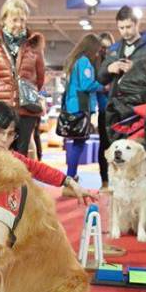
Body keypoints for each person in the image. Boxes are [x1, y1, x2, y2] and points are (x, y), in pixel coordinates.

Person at [0, 102, 95, 205]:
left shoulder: (11, 157)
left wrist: (70, 182)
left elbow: (37, 168)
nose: (4, 139)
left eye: (10, 134)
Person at [0, 0, 46, 157]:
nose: (19, 24)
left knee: (22, 155)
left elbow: (40, 78)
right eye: (14, 19)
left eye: (22, 20)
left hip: (26, 110)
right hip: (0, 108)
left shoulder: (35, 46)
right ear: (4, 20)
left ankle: (21, 183)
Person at [62, 34, 104, 198]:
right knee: (79, 143)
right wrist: (103, 86)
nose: (97, 54)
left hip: (72, 105)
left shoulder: (74, 62)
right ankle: (70, 179)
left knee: (75, 142)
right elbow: (87, 84)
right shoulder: (84, 62)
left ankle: (71, 178)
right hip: (80, 106)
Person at [97, 5, 146, 100]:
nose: (125, 31)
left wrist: (135, 69)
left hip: (142, 103)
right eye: (121, 28)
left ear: (137, 24)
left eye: (128, 27)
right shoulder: (113, 49)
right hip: (116, 106)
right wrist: (108, 69)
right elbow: (100, 79)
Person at [96, 32, 115, 190]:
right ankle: (104, 180)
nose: (105, 50)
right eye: (103, 47)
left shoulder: (117, 62)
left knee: (118, 146)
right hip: (104, 110)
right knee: (104, 145)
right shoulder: (96, 64)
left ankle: (115, 180)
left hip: (118, 111)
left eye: (108, 47)